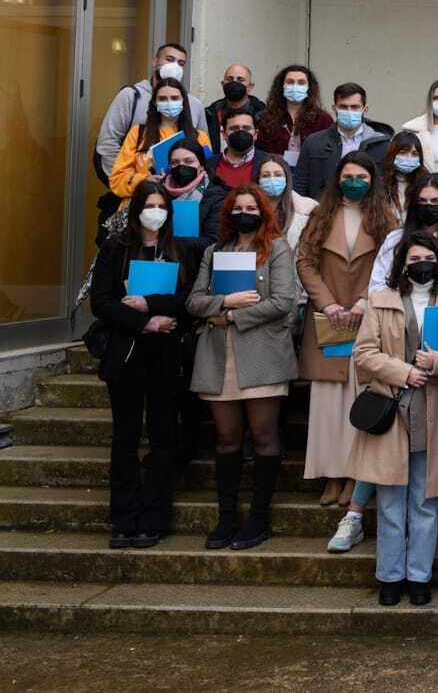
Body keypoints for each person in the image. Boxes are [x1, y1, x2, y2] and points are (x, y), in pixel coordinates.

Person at [347, 233, 438, 607]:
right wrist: (403, 372)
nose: (421, 263)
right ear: (402, 263)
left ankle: (419, 576)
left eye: (427, 257)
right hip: (391, 410)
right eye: (413, 257)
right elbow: (363, 353)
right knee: (389, 502)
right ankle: (389, 576)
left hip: (433, 412)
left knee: (425, 502)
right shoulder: (380, 303)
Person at [186, 185, 298, 551]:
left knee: (264, 435)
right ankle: (226, 517)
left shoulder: (276, 248)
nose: (244, 213)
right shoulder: (214, 251)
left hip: (263, 354)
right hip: (218, 357)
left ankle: (259, 517)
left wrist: (232, 315)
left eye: (251, 207)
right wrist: (224, 301)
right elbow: (194, 301)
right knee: (226, 437)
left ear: (263, 212)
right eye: (237, 208)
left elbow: (283, 302)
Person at [91, 179, 201, 548]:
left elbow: (189, 299)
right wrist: (143, 321)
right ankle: (122, 519)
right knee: (124, 437)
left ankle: (154, 518)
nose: (155, 212)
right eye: (149, 205)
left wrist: (152, 305)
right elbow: (101, 302)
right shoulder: (115, 248)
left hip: (167, 357)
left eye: (161, 206)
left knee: (162, 437)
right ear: (136, 210)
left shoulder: (181, 250)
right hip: (125, 355)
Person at [295, 152, 394, 514]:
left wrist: (364, 302)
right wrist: (328, 304)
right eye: (348, 175)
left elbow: (391, 264)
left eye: (362, 176)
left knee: (359, 398)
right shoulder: (320, 216)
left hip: (367, 321)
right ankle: (331, 476)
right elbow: (304, 261)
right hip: (328, 320)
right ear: (337, 178)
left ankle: (354, 476)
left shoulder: (386, 218)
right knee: (327, 403)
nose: (355, 181)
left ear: (372, 181)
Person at [94, 41, 206, 186]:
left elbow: (204, 157)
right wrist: (128, 183)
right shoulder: (132, 96)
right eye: (170, 59)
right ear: (155, 61)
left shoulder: (195, 105)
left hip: (184, 196)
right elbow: (108, 144)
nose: (174, 66)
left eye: (181, 63)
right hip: (137, 192)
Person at [108, 78, 212, 198]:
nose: (169, 103)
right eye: (162, 99)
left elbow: (208, 176)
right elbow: (116, 179)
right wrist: (144, 180)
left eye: (174, 98)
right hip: (143, 204)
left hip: (187, 205)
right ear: (155, 103)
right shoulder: (138, 133)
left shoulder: (200, 137)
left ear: (184, 102)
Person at [293, 82, 393, 200]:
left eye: (355, 107)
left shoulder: (382, 144)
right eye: (343, 107)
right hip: (323, 211)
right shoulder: (314, 143)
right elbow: (300, 185)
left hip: (367, 211)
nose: (349, 111)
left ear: (365, 109)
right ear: (334, 108)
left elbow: (388, 185)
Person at [255, 64, 332, 170]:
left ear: (309, 87)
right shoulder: (266, 118)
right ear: (282, 86)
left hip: (311, 176)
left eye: (301, 83)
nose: (295, 86)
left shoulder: (323, 119)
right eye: (290, 82)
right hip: (275, 175)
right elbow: (258, 152)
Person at [208, 108, 277, 191]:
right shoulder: (209, 165)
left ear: (256, 134)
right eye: (234, 128)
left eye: (246, 128)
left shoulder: (271, 162)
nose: (241, 132)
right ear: (224, 134)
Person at [257, 155, 315, 249]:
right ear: (258, 180)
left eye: (278, 175)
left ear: (287, 178)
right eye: (265, 176)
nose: (272, 179)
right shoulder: (249, 209)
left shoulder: (309, 209)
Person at [378, 131, 424, 224]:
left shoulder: (425, 184)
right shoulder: (380, 183)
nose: (409, 157)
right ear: (392, 155)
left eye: (414, 154)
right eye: (403, 152)